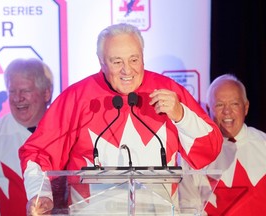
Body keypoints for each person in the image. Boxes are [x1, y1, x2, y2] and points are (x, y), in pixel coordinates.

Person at [19, 23, 223, 215]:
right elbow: (38, 153)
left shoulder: (168, 91)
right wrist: (41, 194)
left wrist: (181, 115)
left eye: (134, 60)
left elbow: (209, 149)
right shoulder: (77, 97)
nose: (127, 70)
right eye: (117, 62)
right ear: (101, 62)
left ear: (143, 57)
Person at [0, 58, 54, 216]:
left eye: (25, 91)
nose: (17, 98)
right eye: (12, 91)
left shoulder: (65, 132)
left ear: (46, 93)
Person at [204, 74, 266, 215]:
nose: (227, 111)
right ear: (208, 109)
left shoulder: (264, 145)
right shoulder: (196, 153)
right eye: (219, 105)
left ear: (246, 107)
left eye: (234, 104)